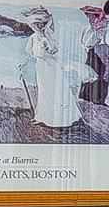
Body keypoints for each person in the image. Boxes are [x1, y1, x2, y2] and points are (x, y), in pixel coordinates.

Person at [24, 7, 82, 135]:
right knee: (44, 91)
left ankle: (59, 120)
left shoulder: (49, 36)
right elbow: (30, 52)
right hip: (41, 68)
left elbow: (55, 51)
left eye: (40, 24)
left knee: (55, 90)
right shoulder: (33, 37)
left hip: (52, 67)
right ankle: (43, 117)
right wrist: (25, 64)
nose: (37, 27)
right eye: (35, 25)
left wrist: (47, 46)